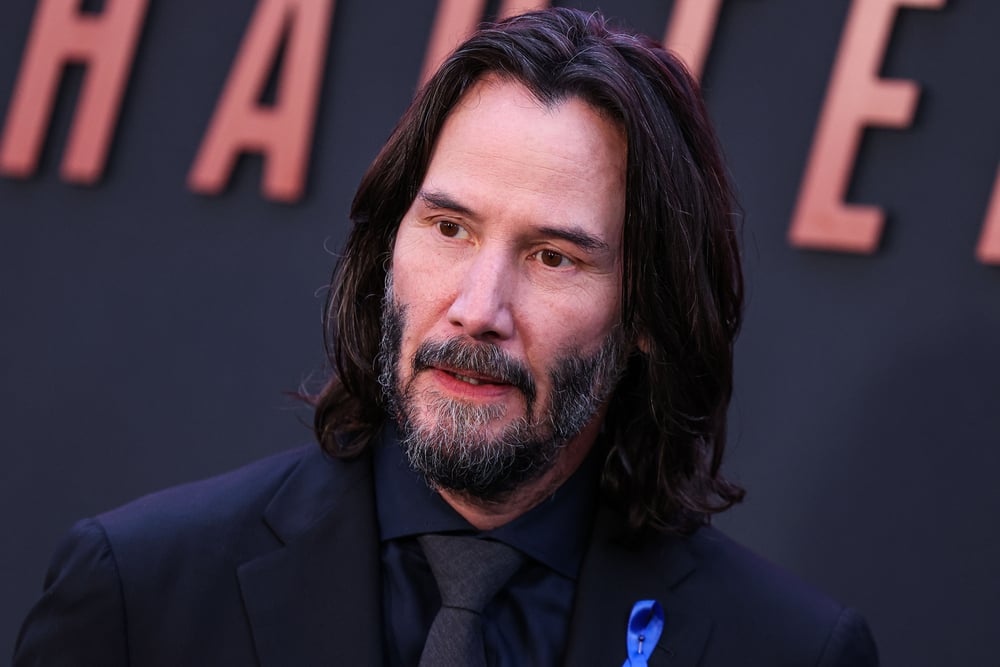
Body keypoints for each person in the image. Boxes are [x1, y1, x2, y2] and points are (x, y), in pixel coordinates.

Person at [14, 8, 878, 666]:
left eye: (553, 256)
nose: (478, 306)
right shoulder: (139, 594)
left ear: (648, 314)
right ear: (392, 239)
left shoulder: (787, 649)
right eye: (450, 228)